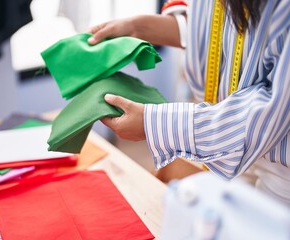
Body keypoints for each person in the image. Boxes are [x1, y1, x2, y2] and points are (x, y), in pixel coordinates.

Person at [87, 0, 290, 206]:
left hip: (281, 179)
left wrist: (153, 124)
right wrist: (136, 27)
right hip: (228, 154)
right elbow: (210, 29)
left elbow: (272, 111)